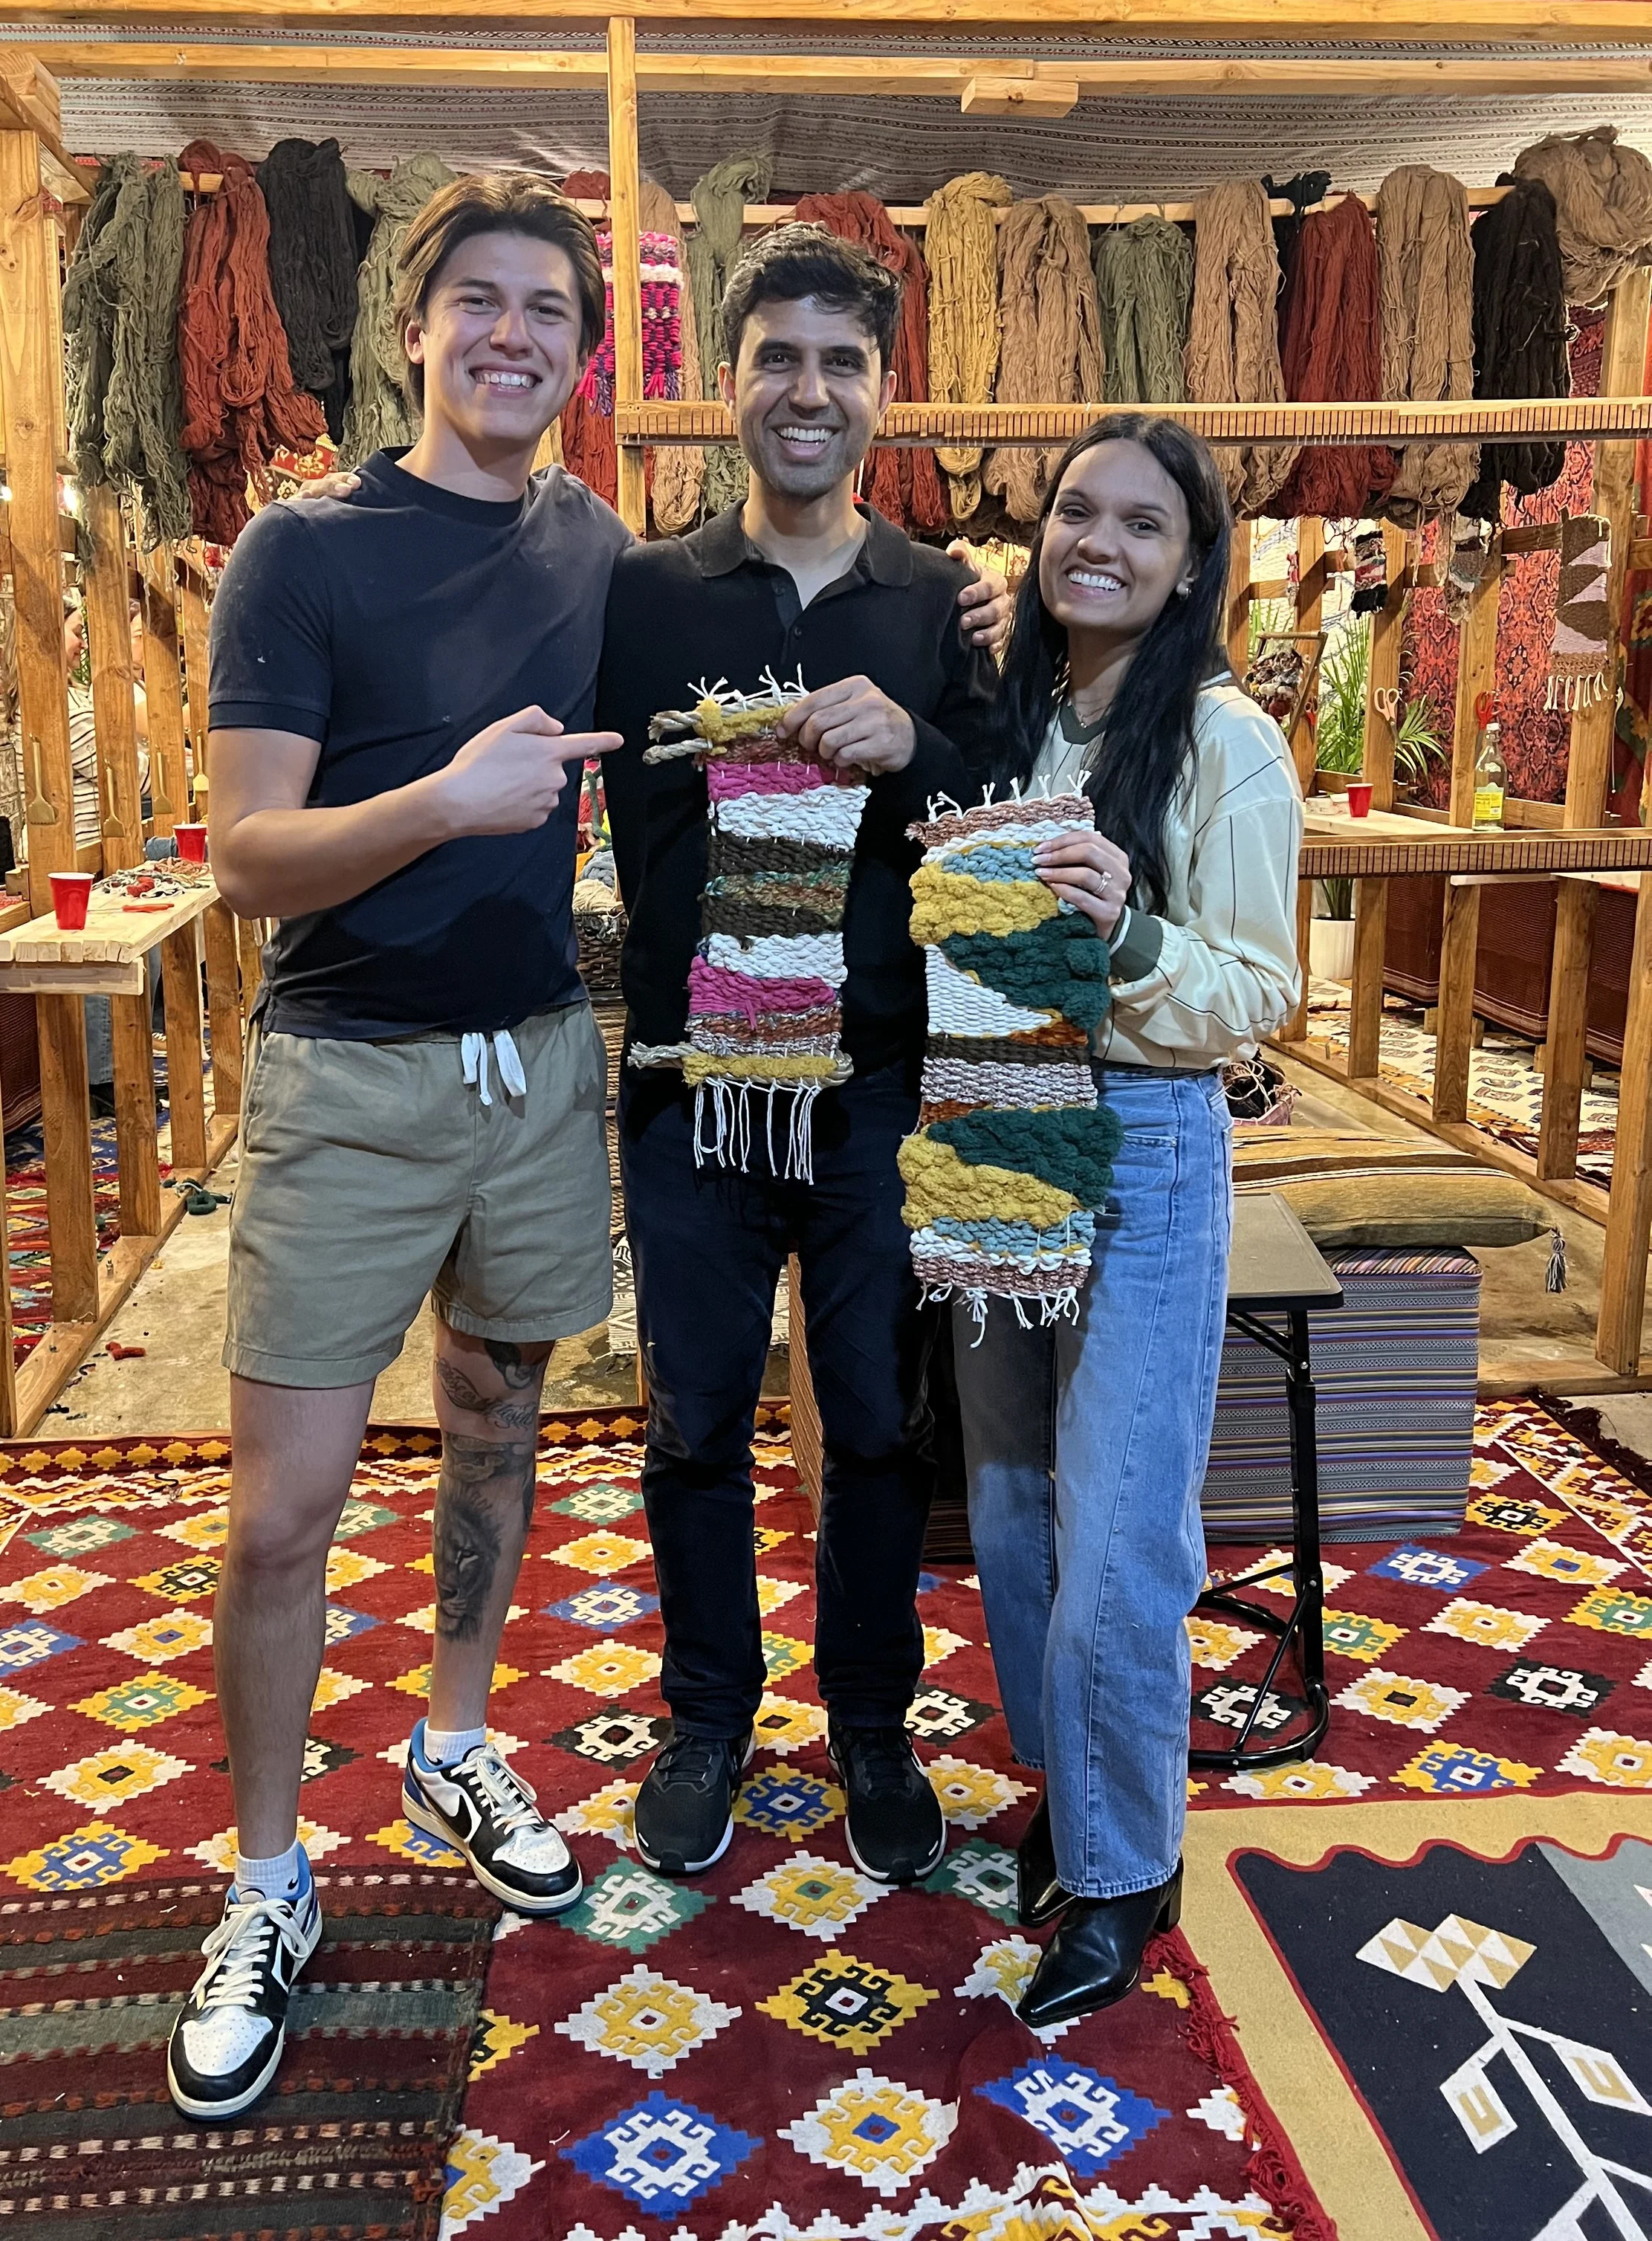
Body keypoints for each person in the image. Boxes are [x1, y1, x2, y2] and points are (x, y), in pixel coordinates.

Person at [168, 172, 629, 2124]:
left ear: (581, 355)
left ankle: (454, 1734)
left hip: (534, 1065)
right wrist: (444, 801)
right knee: (283, 1506)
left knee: (500, 1419)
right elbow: (250, 859)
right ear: (417, 327)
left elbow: (737, 661)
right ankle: (263, 1879)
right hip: (347, 1071)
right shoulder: (302, 550)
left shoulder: (595, 543)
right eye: (482, 301)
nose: (513, 333)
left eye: (548, 310)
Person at [598, 224, 998, 1886]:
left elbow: (1005, 836)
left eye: (841, 363)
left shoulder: (946, 606)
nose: (807, 391)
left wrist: (917, 745)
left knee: (878, 1424)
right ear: (725, 385)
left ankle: (868, 1721)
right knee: (690, 1417)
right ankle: (707, 1716)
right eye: (778, 358)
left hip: (880, 1088)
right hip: (691, 1084)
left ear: (882, 391)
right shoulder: (635, 595)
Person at [956, 413, 1301, 2029]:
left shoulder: (1223, 740)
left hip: (1145, 1136)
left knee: (1120, 1541)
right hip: (1001, 1115)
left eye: (1139, 525)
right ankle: (1079, 1796)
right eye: (1074, 511)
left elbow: (1262, 990)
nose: (1096, 541)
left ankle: (1122, 1869)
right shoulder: (1020, 708)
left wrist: (1133, 928)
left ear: (1186, 565)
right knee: (1015, 1508)